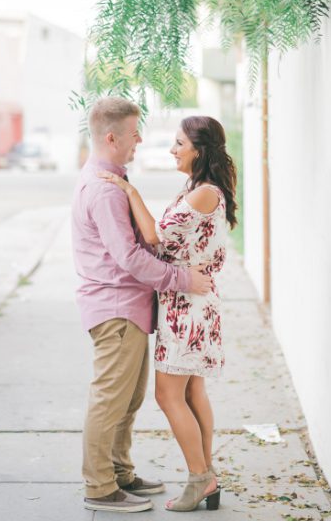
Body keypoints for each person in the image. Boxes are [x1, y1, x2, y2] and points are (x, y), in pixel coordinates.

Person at [71, 96, 214, 513]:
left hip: (126, 308)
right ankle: (100, 487)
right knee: (110, 399)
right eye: (135, 134)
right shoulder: (104, 190)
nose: (140, 141)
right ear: (112, 137)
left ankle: (119, 470)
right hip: (116, 309)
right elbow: (130, 257)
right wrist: (183, 279)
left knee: (128, 399)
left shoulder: (110, 180)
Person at [98, 115, 235, 512]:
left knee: (168, 394)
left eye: (179, 143)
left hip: (188, 308)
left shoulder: (203, 193)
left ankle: (200, 479)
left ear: (199, 149)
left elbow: (155, 236)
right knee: (191, 391)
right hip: (188, 303)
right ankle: (205, 474)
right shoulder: (198, 187)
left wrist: (129, 190)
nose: (172, 150)